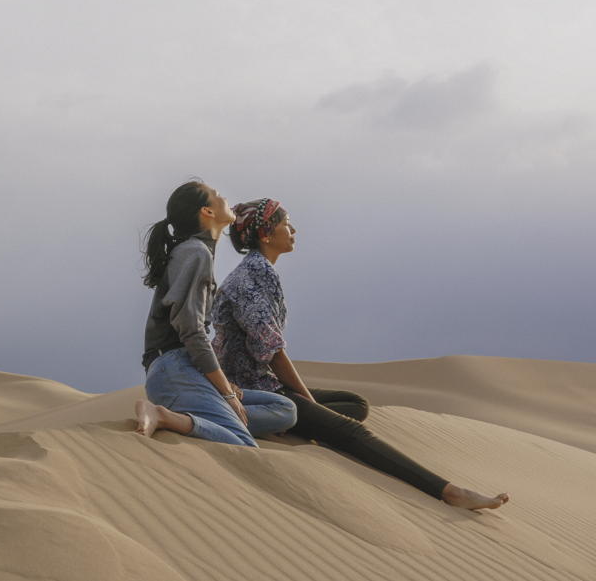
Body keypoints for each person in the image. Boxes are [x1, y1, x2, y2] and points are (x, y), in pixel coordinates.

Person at [211, 197, 510, 510]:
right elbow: (272, 350)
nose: (294, 229)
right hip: (252, 390)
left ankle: (293, 424)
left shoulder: (255, 272)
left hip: (260, 383)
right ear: (266, 235)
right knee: (351, 431)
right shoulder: (254, 276)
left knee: (356, 404)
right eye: (286, 224)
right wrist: (309, 404)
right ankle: (450, 491)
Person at [134, 180, 297, 446]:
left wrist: (224, 387)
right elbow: (192, 331)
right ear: (207, 212)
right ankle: (166, 417)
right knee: (243, 444)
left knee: (285, 409)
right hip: (174, 370)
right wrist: (227, 393)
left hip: (185, 368)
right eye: (217, 195)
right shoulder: (195, 253)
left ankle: (212, 418)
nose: (225, 199)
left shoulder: (196, 252)